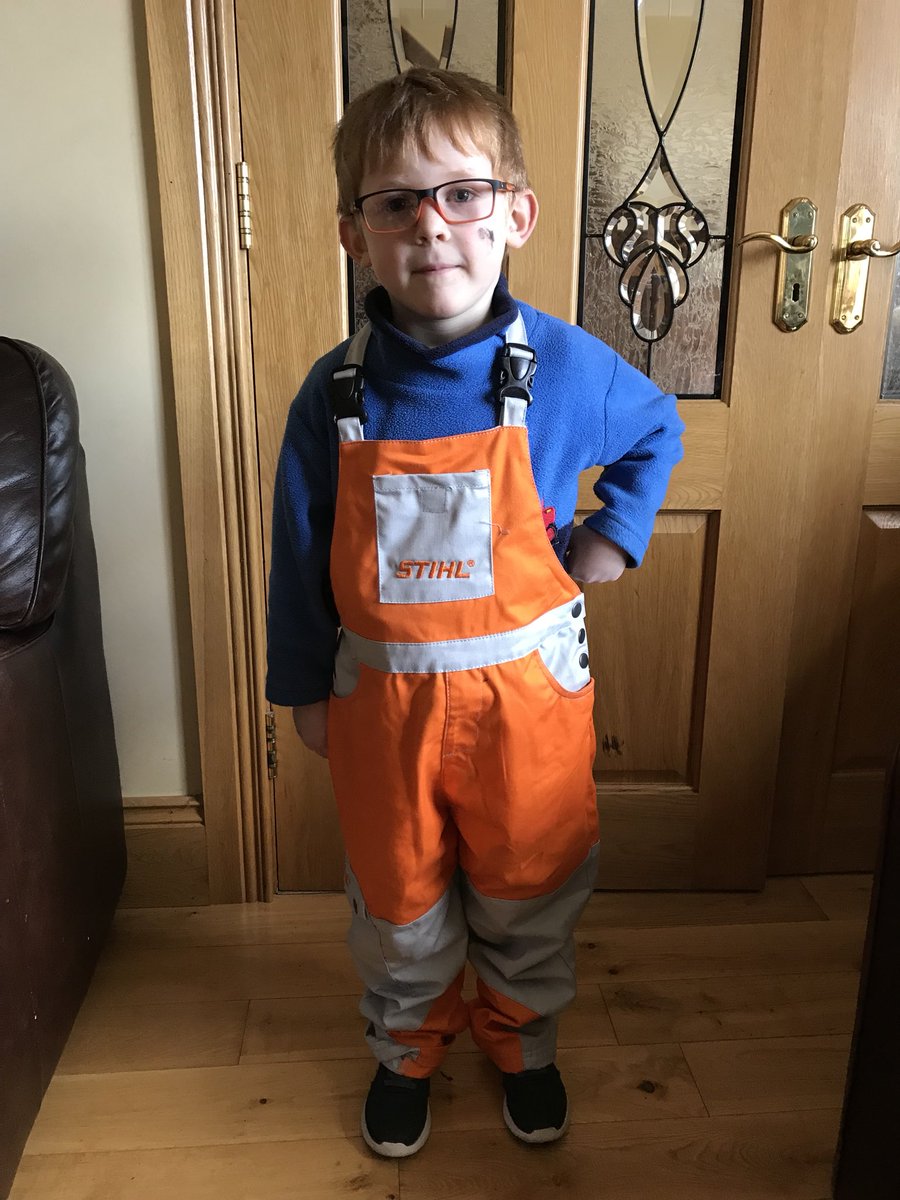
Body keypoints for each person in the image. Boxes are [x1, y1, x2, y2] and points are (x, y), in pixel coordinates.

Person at [266, 67, 684, 1159]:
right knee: (397, 901)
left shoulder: (568, 370)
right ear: (354, 235)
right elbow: (299, 551)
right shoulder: (334, 392)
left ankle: (521, 1039)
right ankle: (408, 1045)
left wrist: (609, 538)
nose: (431, 226)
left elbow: (656, 431)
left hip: (527, 706)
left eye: (461, 194)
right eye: (394, 203)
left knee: (528, 882)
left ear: (516, 213)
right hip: (381, 706)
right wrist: (303, 685)